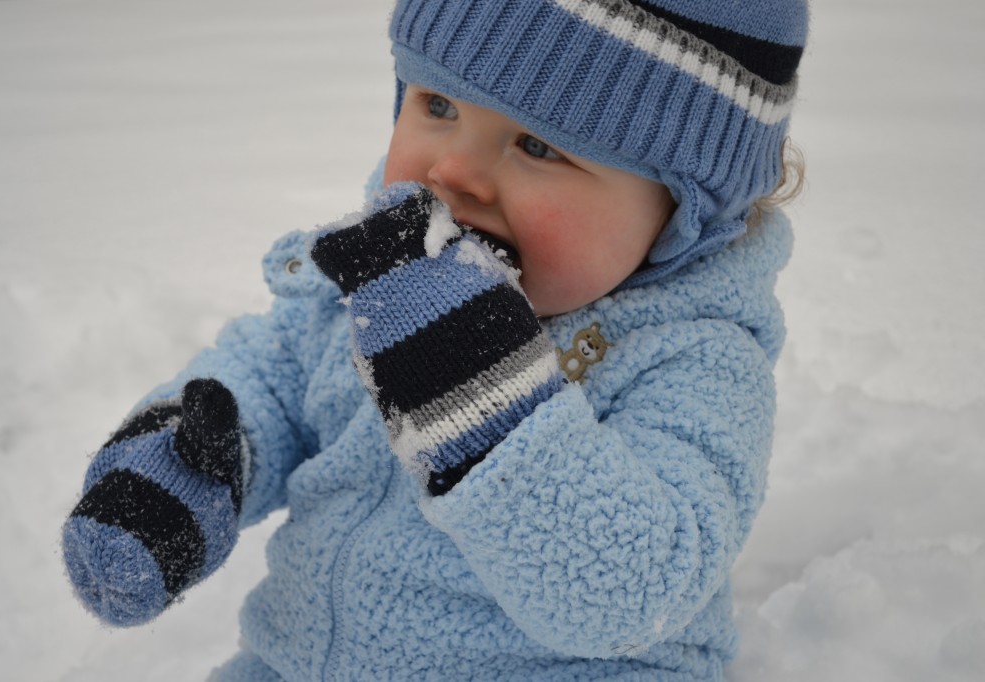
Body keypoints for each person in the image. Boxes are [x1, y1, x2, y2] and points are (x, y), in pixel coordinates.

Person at [61, 0, 809, 679]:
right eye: (438, 104)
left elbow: (631, 591)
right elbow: (272, 376)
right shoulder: (385, 274)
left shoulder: (697, 366)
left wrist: (472, 388)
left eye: (539, 147)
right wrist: (187, 473)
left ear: (682, 214)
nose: (454, 171)